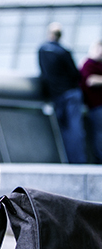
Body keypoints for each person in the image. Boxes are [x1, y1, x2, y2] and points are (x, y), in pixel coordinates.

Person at [38, 22, 88, 164]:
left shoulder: (42, 50)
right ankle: (77, 162)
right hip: (70, 94)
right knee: (75, 130)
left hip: (56, 95)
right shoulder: (63, 51)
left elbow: (44, 73)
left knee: (63, 130)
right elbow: (75, 74)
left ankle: (68, 161)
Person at [80, 40, 102, 163]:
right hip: (96, 106)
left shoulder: (99, 64)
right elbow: (90, 80)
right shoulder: (89, 64)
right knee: (99, 135)